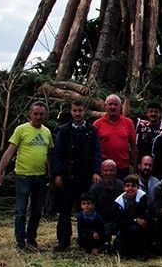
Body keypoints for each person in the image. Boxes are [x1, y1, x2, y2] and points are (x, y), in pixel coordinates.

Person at [0, 101, 54, 249]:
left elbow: (49, 157)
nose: (38, 117)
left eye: (41, 114)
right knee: (21, 210)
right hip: (23, 176)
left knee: (36, 210)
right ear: (30, 114)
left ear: (45, 115)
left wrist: (51, 176)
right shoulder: (21, 130)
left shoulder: (46, 132)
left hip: (40, 177)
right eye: (36, 114)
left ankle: (31, 240)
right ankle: (20, 242)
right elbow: (9, 152)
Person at [51, 99, 102, 251]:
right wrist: (58, 173)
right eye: (75, 110)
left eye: (80, 110)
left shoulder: (92, 130)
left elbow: (97, 152)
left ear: (84, 110)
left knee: (85, 211)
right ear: (71, 111)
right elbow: (57, 154)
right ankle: (63, 241)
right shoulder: (64, 130)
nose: (77, 113)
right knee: (65, 211)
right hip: (67, 177)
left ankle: (84, 240)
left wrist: (96, 171)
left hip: (85, 177)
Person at [94, 94, 137, 179]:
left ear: (120, 107)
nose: (113, 107)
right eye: (110, 104)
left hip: (123, 168)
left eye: (116, 104)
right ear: (105, 106)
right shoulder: (97, 124)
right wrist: (95, 171)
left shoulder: (128, 123)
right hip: (105, 169)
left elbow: (133, 146)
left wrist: (135, 169)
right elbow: (93, 149)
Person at [88, 159, 124, 248]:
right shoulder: (94, 189)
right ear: (101, 172)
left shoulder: (122, 186)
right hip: (101, 223)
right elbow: (91, 211)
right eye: (106, 170)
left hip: (118, 222)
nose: (108, 173)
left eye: (111, 170)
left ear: (115, 172)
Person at [114, 174, 150, 260]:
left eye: (133, 186)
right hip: (125, 226)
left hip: (139, 225)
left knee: (139, 229)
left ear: (138, 187)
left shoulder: (142, 196)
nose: (130, 188)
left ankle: (142, 253)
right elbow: (119, 222)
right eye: (127, 186)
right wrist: (134, 220)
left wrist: (141, 220)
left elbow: (143, 214)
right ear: (124, 188)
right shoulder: (118, 202)